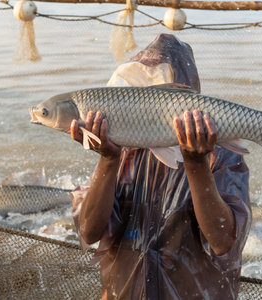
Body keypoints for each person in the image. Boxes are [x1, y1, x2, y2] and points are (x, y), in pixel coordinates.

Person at [70, 34, 251, 300]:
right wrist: (108, 159)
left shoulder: (221, 155)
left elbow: (223, 241)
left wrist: (196, 163)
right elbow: (90, 231)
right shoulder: (121, 152)